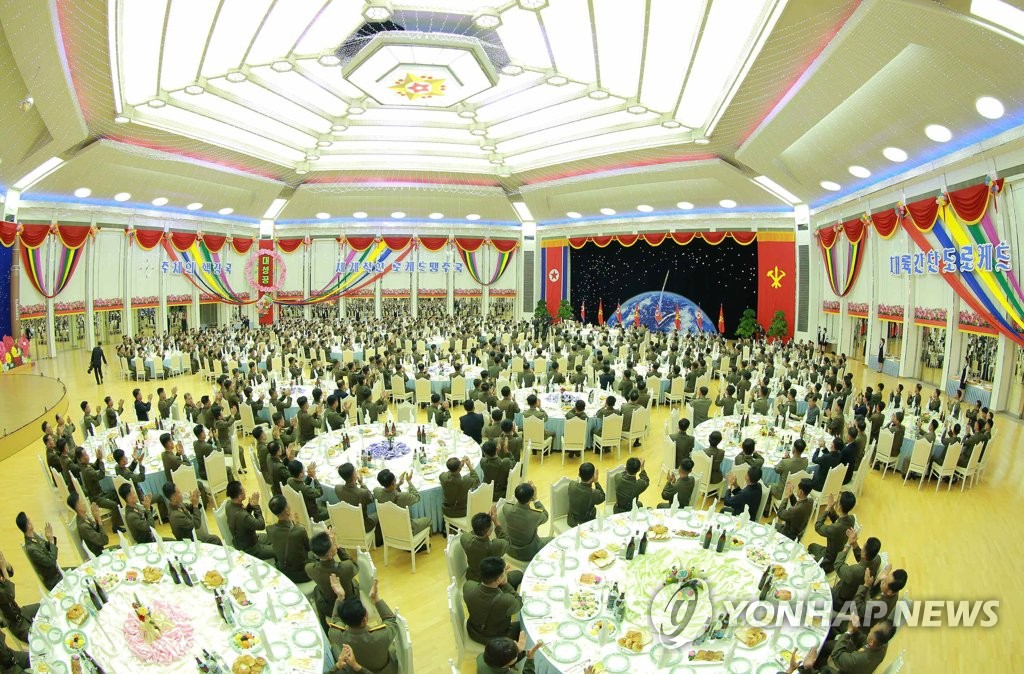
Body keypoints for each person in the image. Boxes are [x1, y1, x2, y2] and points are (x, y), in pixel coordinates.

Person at [328, 579, 400, 674]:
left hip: (353, 671)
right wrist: (376, 598)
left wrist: (340, 597)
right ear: (365, 619)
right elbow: (391, 619)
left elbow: (335, 619)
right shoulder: (382, 635)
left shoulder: (336, 635)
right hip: (383, 671)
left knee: (334, 648)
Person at [463, 557, 524, 644]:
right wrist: (505, 584)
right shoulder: (506, 600)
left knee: (516, 576)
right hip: (495, 639)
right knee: (525, 627)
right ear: (498, 580)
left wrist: (502, 575)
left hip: (473, 630)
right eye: (505, 572)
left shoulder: (468, 586)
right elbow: (519, 603)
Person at [461, 509, 522, 588]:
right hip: (491, 582)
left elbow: (473, 532)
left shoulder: (464, 539)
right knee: (519, 574)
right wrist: (495, 521)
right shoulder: (495, 546)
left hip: (472, 577)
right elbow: (507, 541)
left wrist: (481, 523)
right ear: (488, 532)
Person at [305, 530, 358, 623]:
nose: (334, 544)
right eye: (333, 543)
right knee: (355, 582)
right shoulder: (346, 567)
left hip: (329, 608)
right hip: (347, 608)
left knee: (317, 589)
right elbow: (354, 564)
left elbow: (313, 561)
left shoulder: (309, 569)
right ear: (330, 555)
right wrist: (339, 548)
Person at [266, 494, 313, 583]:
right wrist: (297, 526)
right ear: (287, 510)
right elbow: (308, 548)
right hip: (303, 574)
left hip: (284, 572)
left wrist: (294, 525)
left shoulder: (269, 529)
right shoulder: (299, 530)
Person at [808, 491, 856, 573]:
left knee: (807, 565)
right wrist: (831, 509)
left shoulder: (834, 528)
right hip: (836, 554)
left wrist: (827, 508)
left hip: (828, 562)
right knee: (811, 546)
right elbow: (838, 521)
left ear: (839, 507)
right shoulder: (851, 519)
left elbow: (818, 526)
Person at [225, 480, 274, 560]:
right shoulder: (242, 516)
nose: (245, 491)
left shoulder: (229, 504)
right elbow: (261, 525)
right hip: (251, 549)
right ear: (240, 497)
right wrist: (256, 506)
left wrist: (250, 506)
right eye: (243, 490)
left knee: (273, 536)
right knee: (279, 550)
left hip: (243, 540)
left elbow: (243, 519)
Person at [832, 530, 882, 608]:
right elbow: (863, 559)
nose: (861, 548)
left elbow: (838, 565)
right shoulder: (877, 559)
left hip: (842, 601)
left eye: (863, 547)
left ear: (864, 554)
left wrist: (848, 544)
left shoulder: (854, 571)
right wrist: (854, 543)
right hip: (855, 594)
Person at [373, 469, 431, 535]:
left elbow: (388, 490)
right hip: (406, 530)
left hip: (389, 529)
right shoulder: (402, 496)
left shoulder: (376, 491)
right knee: (428, 520)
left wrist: (399, 484)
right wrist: (409, 481)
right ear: (393, 482)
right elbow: (417, 497)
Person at [502, 483, 550, 562]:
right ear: (531, 498)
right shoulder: (535, 515)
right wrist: (535, 499)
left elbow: (514, 506)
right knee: (553, 540)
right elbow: (546, 515)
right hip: (527, 554)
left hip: (509, 550)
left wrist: (525, 491)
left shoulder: (506, 508)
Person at [16, 513, 61, 591]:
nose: (30, 520)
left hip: (57, 572)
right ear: (28, 525)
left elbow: (47, 548)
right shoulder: (31, 549)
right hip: (53, 581)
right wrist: (51, 540)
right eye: (28, 519)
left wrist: (50, 539)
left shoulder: (33, 535)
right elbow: (51, 562)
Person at [0, 551, 38, 644]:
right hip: (16, 625)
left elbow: (11, 573)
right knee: (40, 639)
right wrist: (3, 568)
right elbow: (10, 594)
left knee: (45, 607)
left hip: (20, 613)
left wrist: (4, 562)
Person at [335, 463, 377, 535]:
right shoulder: (363, 493)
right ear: (354, 475)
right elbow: (372, 499)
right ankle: (379, 538)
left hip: (347, 520)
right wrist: (362, 483)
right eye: (355, 471)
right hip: (363, 524)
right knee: (379, 513)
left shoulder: (337, 488)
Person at [477, 634, 546, 674]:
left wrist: (516, 650)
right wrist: (530, 658)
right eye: (516, 654)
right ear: (509, 662)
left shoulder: (481, 657)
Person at [67, 492, 109, 557]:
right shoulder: (83, 527)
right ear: (78, 507)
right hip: (99, 556)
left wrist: (96, 518)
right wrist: (99, 518)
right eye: (82, 501)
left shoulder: (83, 517)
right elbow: (104, 540)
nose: (84, 503)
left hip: (101, 551)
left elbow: (97, 532)